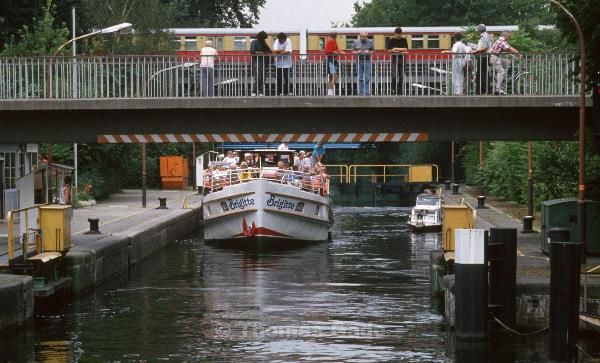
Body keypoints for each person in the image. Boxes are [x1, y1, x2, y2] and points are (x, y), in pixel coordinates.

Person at [386, 27, 408, 95]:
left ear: (401, 34)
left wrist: (395, 49)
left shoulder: (404, 40)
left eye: (399, 34)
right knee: (394, 76)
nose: (398, 35)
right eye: (397, 34)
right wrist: (399, 50)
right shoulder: (391, 40)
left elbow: (406, 49)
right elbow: (389, 50)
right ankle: (393, 89)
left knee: (401, 76)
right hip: (394, 59)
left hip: (402, 59)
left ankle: (400, 90)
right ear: (395, 34)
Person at [470, 24, 491, 94]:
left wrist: (475, 51)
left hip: (483, 57)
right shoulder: (485, 36)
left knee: (481, 74)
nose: (477, 31)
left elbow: (485, 47)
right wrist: (473, 47)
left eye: (477, 30)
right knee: (483, 73)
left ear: (479, 30)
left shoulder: (484, 36)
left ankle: (481, 90)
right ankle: (484, 89)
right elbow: (482, 47)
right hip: (483, 56)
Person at [250, 31, 271, 96]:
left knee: (263, 77)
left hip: (263, 62)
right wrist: (262, 53)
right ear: (260, 37)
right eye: (263, 38)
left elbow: (268, 50)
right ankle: (254, 91)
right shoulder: (254, 42)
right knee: (258, 77)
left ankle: (260, 92)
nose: (264, 39)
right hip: (256, 62)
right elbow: (252, 52)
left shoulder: (263, 42)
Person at [324, 32, 344, 96]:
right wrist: (338, 52)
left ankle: (329, 92)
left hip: (332, 60)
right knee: (335, 77)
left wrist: (339, 51)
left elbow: (335, 50)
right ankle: (330, 91)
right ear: (336, 36)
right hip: (330, 60)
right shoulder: (330, 41)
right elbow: (328, 52)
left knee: (330, 77)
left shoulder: (333, 41)